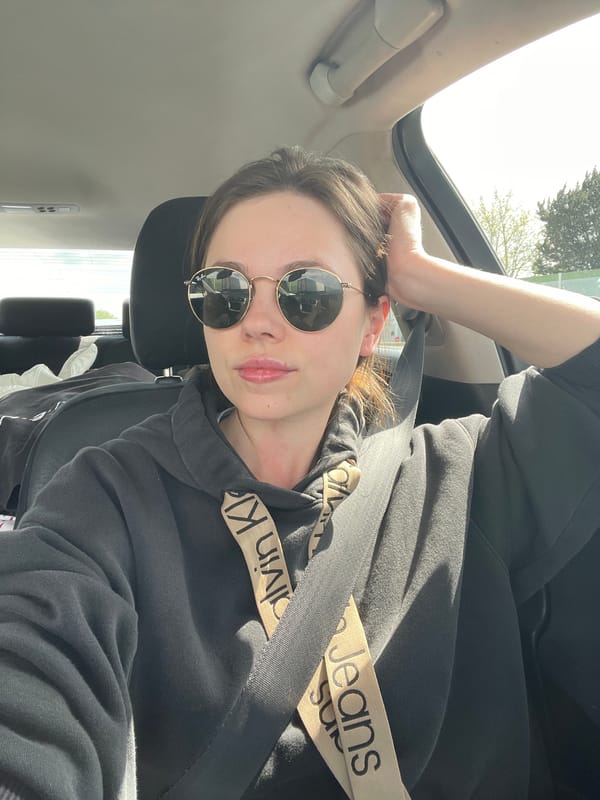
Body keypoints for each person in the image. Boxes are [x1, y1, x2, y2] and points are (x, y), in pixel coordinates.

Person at [0, 146, 598, 800]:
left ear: (372, 324)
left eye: (307, 292)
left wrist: (425, 279)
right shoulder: (105, 496)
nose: (257, 324)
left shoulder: (464, 474)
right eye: (225, 291)